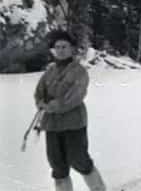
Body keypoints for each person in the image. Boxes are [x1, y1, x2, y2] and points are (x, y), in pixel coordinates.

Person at [34, 30, 106, 191]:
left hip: (73, 123)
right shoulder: (50, 71)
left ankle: (99, 188)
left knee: (79, 159)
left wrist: (51, 106)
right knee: (57, 165)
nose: (60, 50)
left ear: (72, 48)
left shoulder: (79, 71)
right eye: (57, 47)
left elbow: (75, 97)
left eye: (64, 46)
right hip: (52, 124)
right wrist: (40, 102)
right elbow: (39, 92)